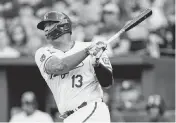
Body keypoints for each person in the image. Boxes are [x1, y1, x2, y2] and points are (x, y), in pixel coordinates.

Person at [35, 11, 113, 122]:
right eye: (44, 27)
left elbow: (107, 83)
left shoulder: (90, 47)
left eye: (50, 24)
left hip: (92, 110)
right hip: (70, 117)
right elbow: (59, 66)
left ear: (63, 25)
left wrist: (97, 63)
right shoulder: (43, 53)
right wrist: (87, 52)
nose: (46, 29)